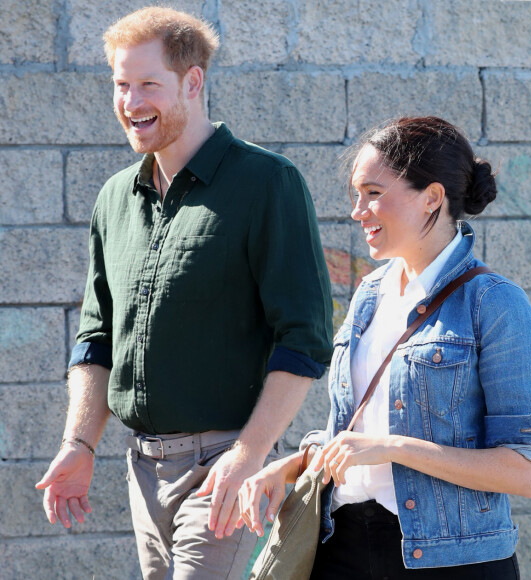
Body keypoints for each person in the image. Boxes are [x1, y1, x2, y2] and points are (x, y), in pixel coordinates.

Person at [35, 6, 333, 579]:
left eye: (149, 84)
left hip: (225, 467)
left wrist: (248, 457)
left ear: (192, 82)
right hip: (142, 469)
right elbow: (97, 338)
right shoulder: (114, 199)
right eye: (122, 85)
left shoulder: (267, 183)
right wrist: (80, 442)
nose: (131, 101)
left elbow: (304, 339)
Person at [238, 116, 531, 579]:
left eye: (373, 193)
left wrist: (395, 447)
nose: (357, 210)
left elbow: (523, 471)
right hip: (341, 545)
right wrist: (285, 468)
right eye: (357, 194)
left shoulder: (493, 303)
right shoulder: (370, 294)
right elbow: (358, 434)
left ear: (432, 197)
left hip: (449, 560)